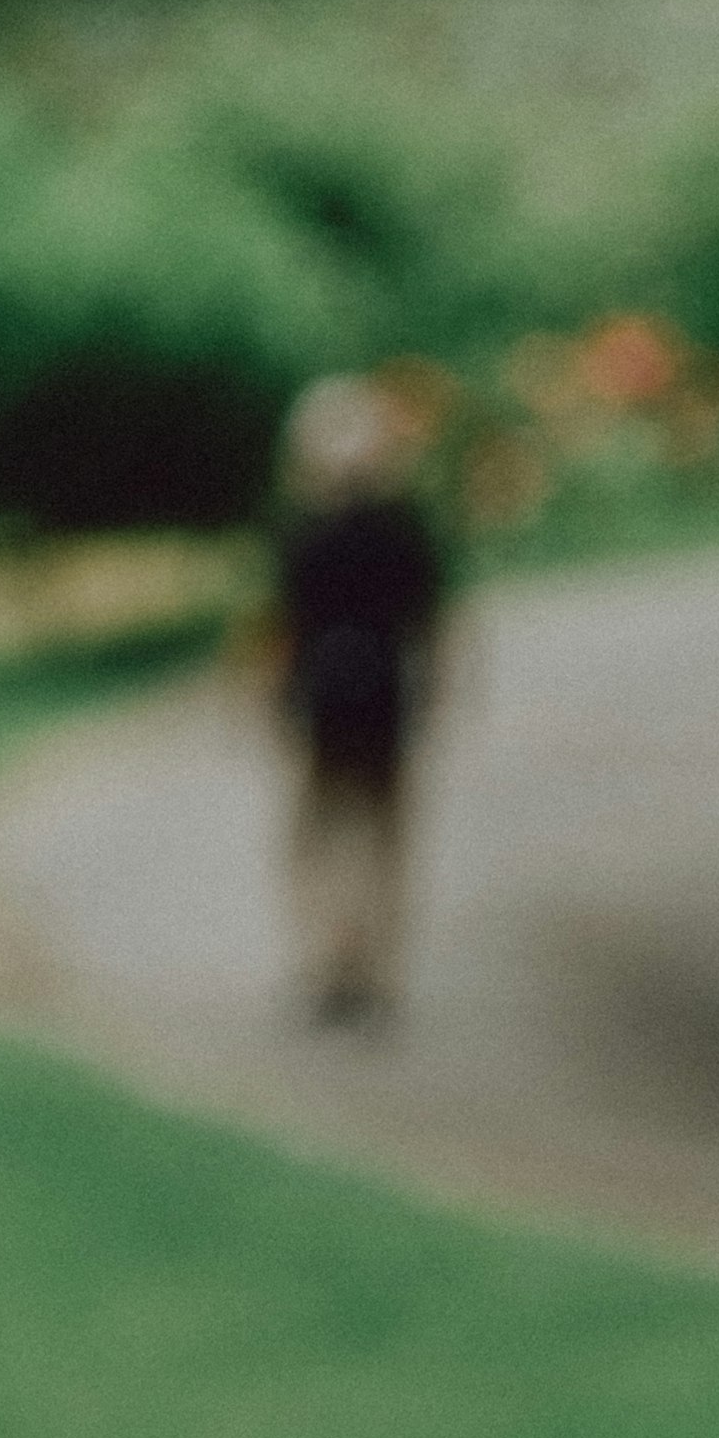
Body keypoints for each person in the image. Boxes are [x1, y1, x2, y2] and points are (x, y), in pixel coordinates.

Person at [269, 375, 450, 1027]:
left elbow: (283, 628)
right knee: (383, 835)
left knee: (320, 833)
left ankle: (328, 961)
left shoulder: (303, 532)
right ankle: (374, 966)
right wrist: (438, 693)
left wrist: (270, 699)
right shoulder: (403, 528)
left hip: (322, 696)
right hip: (383, 695)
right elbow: (431, 621)